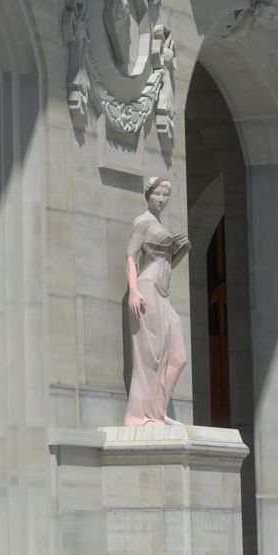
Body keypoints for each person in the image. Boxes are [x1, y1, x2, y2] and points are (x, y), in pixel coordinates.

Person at [123, 178, 189, 427]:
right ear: (148, 194)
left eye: (166, 195)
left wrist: (180, 249)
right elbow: (130, 255)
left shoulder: (158, 224)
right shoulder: (143, 222)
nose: (162, 199)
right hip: (147, 288)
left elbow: (168, 262)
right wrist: (132, 290)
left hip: (164, 291)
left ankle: (157, 409)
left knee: (178, 356)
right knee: (150, 356)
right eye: (158, 194)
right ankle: (140, 415)